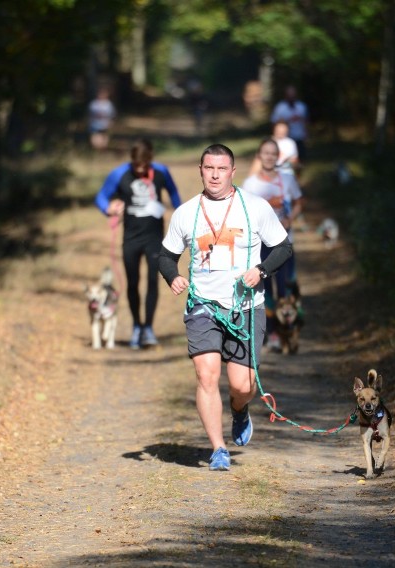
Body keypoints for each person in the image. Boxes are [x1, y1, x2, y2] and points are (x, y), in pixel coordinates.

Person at [158, 144, 293, 471]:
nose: (215, 175)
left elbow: (284, 247)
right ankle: (218, 449)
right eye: (209, 168)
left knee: (241, 386)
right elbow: (165, 256)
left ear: (233, 172)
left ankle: (239, 410)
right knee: (206, 375)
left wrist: (261, 271)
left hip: (246, 308)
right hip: (203, 306)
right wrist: (172, 277)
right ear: (200, 170)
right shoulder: (186, 213)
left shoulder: (255, 207)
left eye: (221, 169)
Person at [95, 139, 182, 348]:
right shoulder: (119, 173)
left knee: (153, 281)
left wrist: (182, 217)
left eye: (143, 165)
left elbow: (175, 195)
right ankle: (136, 326)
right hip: (131, 238)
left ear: (150, 160)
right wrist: (109, 208)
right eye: (136, 165)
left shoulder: (161, 171)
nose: (140, 169)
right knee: (132, 283)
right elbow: (101, 197)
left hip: (154, 238)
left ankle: (148, 328)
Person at [241, 138, 304, 350]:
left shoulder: (287, 179)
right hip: (260, 246)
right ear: (259, 156)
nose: (269, 157)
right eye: (265, 153)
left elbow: (298, 202)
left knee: (286, 287)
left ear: (278, 157)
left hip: (285, 242)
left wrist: (290, 219)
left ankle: (289, 332)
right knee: (264, 290)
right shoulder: (250, 184)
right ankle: (273, 334)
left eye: (272, 153)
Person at [270, 85, 308, 162]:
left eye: (293, 95)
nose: (291, 97)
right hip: (286, 137)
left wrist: (306, 134)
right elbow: (274, 122)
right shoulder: (280, 108)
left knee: (300, 159)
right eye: (289, 95)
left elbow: (306, 122)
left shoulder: (301, 106)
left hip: (299, 137)